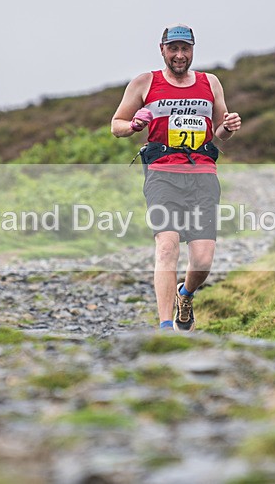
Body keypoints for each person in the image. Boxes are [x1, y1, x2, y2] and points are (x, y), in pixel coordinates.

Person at [111, 24, 241, 331]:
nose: (180, 55)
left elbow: (220, 134)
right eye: (174, 49)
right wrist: (133, 126)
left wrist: (229, 126)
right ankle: (166, 327)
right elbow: (116, 124)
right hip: (162, 174)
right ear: (162, 50)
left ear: (193, 50)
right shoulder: (145, 83)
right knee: (167, 247)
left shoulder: (211, 83)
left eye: (185, 49)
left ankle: (186, 294)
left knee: (203, 260)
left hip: (203, 175)